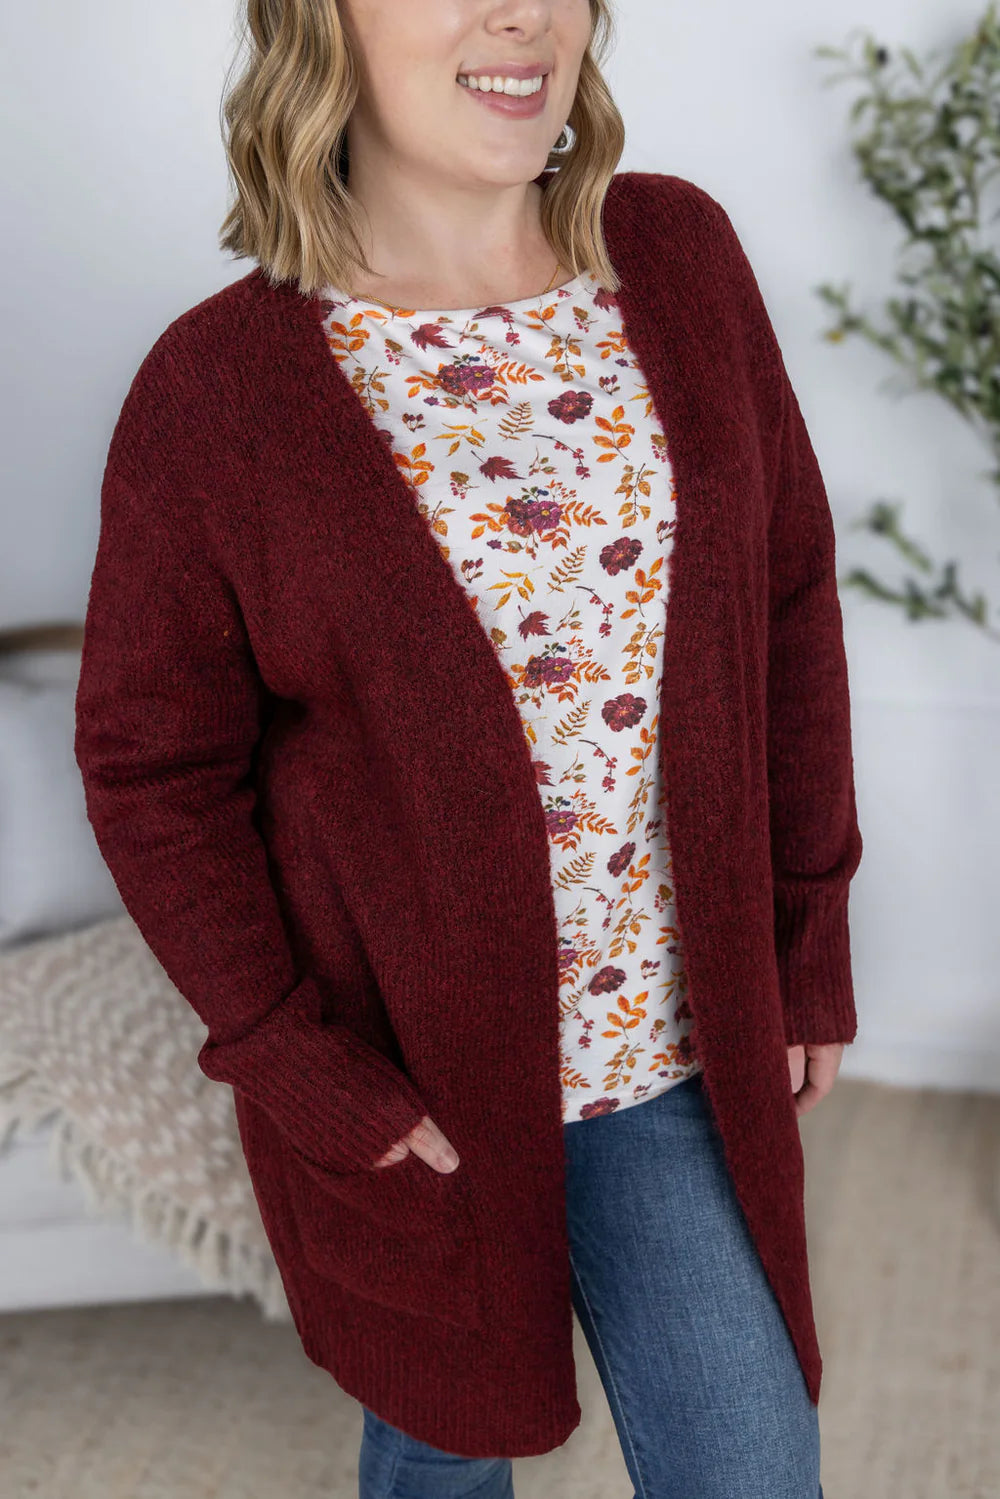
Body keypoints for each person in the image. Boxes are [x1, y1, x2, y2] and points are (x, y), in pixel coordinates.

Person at [75, 2, 862, 1496]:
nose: (522, 14)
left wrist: (807, 932)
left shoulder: (677, 255)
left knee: (752, 1466)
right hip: (422, 1095)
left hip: (671, 1052)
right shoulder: (216, 393)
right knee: (445, 1450)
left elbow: (787, 596)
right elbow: (152, 771)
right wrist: (293, 1061)